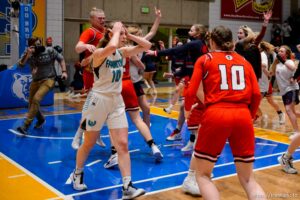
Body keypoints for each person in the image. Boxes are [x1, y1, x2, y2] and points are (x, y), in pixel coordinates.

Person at [70, 21, 151, 199]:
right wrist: (115, 31)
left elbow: (147, 45)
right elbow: (112, 44)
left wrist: (128, 35)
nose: (123, 37)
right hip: (99, 101)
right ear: (110, 35)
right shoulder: (99, 54)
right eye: (121, 34)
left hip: (116, 101)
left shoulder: (122, 52)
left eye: (124, 34)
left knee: (122, 144)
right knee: (89, 143)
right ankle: (78, 173)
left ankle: (127, 187)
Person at [185, 25, 265, 199]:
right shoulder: (244, 61)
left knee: (203, 176)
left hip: (216, 114)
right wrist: (250, 115)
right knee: (248, 179)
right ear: (232, 41)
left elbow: (191, 91)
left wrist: (186, 112)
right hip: (243, 115)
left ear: (212, 42)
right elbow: (257, 94)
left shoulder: (205, 59)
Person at [147, 24, 209, 141]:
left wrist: (156, 53)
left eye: (191, 30)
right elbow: (188, 67)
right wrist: (174, 74)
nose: (188, 31)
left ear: (198, 34)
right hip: (196, 80)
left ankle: (196, 138)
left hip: (201, 82)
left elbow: (176, 50)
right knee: (184, 107)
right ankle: (182, 133)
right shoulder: (196, 47)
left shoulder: (196, 44)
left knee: (196, 109)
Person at [16, 37, 67, 135]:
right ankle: (41, 120)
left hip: (49, 79)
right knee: (31, 104)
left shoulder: (49, 50)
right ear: (30, 46)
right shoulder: (28, 53)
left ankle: (25, 125)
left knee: (36, 99)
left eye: (39, 44)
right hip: (36, 80)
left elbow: (61, 59)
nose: (38, 46)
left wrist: (64, 72)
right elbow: (20, 65)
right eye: (35, 45)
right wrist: (28, 55)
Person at [72, 7, 106, 148]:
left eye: (104, 18)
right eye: (100, 18)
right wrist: (86, 45)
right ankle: (78, 136)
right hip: (92, 74)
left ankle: (96, 135)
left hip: (104, 73)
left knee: (103, 109)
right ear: (92, 20)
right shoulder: (90, 32)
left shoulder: (105, 32)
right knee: (91, 108)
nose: (103, 20)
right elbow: (78, 47)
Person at [235, 10, 272, 80]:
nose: (238, 34)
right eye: (238, 33)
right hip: (239, 73)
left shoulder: (252, 44)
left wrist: (266, 21)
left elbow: (261, 35)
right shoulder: (236, 45)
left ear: (246, 35)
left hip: (250, 74)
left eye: (240, 33)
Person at [256, 41, 285, 124]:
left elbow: (264, 66)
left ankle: (260, 116)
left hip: (263, 84)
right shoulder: (259, 54)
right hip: (262, 83)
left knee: (254, 103)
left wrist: (268, 74)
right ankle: (280, 114)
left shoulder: (262, 55)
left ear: (260, 47)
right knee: (270, 100)